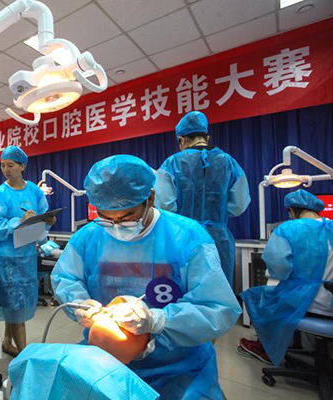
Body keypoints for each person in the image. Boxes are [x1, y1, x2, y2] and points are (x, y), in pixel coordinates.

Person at [51, 155, 241, 399]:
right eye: (106, 218)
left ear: (150, 198)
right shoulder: (88, 236)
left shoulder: (188, 237)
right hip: (107, 361)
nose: (116, 227)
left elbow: (217, 307)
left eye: (126, 218)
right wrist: (80, 304)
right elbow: (66, 278)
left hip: (178, 366)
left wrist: (157, 321)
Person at [155, 111, 250, 286]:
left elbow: (164, 206)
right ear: (207, 137)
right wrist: (216, 214)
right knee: (218, 291)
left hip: (183, 238)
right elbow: (239, 205)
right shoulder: (229, 162)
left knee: (184, 289)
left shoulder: (172, 163)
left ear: (182, 140)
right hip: (218, 239)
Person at [239, 189, 333, 366]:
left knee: (257, 296)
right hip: (330, 302)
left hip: (309, 301)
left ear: (291, 210)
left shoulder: (287, 229)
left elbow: (279, 270)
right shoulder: (330, 226)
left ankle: (267, 348)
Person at [0, 145, 56, 356]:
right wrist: (19, 221)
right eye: (2, 165)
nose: (5, 170)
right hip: (7, 257)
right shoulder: (0, 194)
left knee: (20, 302)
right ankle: (24, 354)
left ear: (22, 166)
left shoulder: (34, 191)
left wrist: (48, 221)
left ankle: (8, 342)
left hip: (27, 256)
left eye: (10, 165)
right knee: (14, 302)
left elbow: (43, 216)